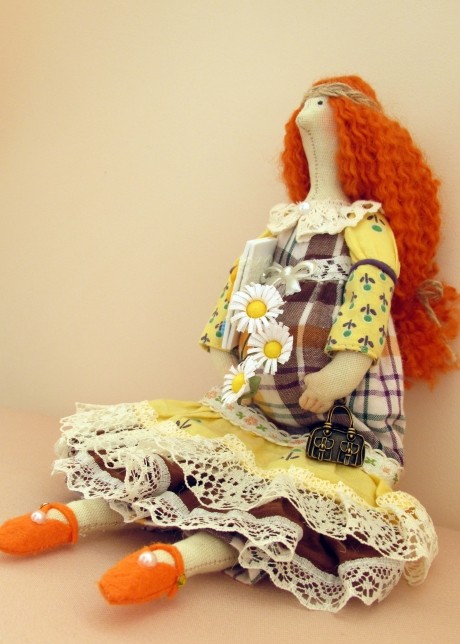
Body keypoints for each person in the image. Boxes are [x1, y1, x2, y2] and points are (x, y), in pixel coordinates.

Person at [0, 75, 458, 612]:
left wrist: (344, 369)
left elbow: (370, 296)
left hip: (334, 422)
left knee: (287, 506)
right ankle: (72, 517)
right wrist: (224, 342)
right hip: (255, 406)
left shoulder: (366, 226)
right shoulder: (284, 225)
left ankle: (175, 561)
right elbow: (242, 283)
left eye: (323, 110)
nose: (309, 119)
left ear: (359, 136)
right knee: (190, 464)